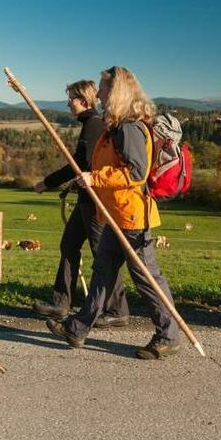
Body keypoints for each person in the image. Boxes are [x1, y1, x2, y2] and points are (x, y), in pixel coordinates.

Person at [44, 66, 182, 359]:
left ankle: (168, 334)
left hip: (131, 216)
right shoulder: (117, 125)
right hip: (115, 214)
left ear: (116, 92)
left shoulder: (130, 127)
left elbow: (136, 174)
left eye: (105, 89)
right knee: (103, 272)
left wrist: (97, 178)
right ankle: (78, 328)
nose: (100, 94)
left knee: (146, 277)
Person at [31, 79, 130, 327]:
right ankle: (61, 302)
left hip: (96, 201)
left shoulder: (94, 126)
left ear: (84, 101)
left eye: (71, 99)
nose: (68, 103)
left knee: (102, 253)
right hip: (86, 199)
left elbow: (81, 163)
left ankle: (117, 309)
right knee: (69, 245)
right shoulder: (90, 125)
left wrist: (48, 182)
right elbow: (83, 165)